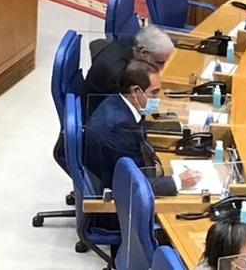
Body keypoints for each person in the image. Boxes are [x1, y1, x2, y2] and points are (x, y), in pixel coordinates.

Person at [83, 60, 198, 197]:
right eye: (154, 93)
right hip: (119, 200)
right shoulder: (120, 128)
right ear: (136, 91)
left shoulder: (117, 103)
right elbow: (130, 184)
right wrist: (178, 181)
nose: (158, 99)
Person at [80, 25, 175, 117]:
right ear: (143, 52)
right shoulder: (117, 73)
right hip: (101, 116)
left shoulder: (135, 43)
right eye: (160, 62)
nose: (161, 68)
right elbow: (126, 111)